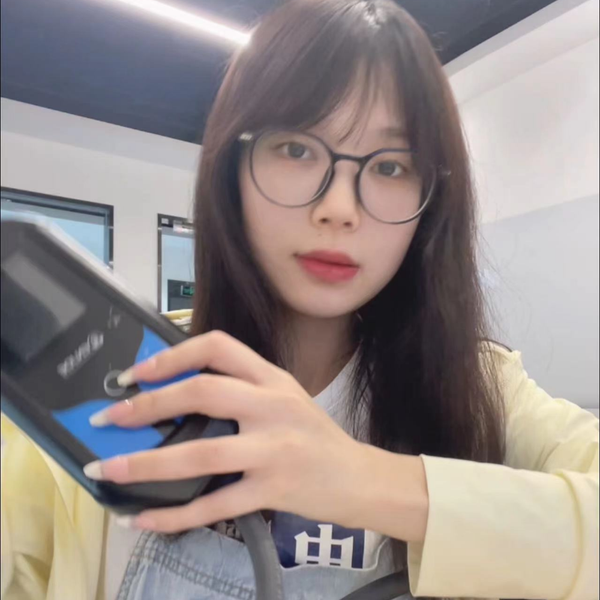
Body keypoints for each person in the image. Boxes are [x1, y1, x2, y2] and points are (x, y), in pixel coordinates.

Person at [1, 1, 598, 599]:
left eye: (391, 166)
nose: (339, 208)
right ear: (232, 169)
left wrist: (366, 480)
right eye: (295, 150)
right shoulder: (123, 382)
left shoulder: (479, 388)